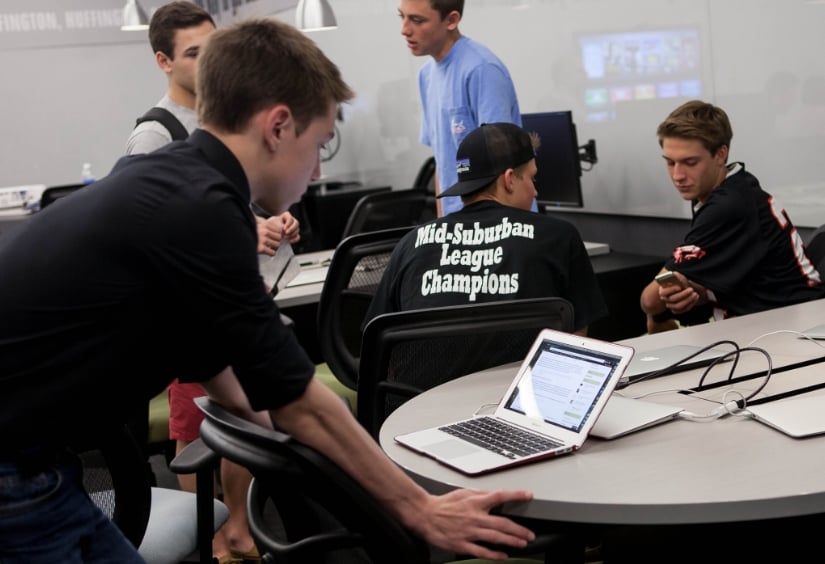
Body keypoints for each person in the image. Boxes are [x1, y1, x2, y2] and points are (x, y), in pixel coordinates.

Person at [0, 17, 538, 563]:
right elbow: (296, 401)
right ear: (279, 126)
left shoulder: (182, 182)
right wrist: (420, 510)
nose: (312, 173)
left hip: (40, 457)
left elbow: (233, 381)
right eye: (319, 145)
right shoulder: (202, 209)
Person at [122, 4, 297, 563]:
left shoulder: (220, 123)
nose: (210, 62)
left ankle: (239, 528)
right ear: (163, 61)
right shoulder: (156, 134)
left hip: (233, 299)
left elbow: (227, 208)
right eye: (195, 53)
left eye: (214, 48)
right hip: (186, 312)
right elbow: (155, 229)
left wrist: (267, 221)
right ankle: (210, 540)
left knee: (243, 423)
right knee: (197, 424)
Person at [365, 122, 607, 336]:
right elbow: (576, 337)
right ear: (509, 179)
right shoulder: (559, 237)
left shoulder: (411, 243)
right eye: (532, 178)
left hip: (430, 388)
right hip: (520, 386)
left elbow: (376, 333)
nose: (535, 192)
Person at [639, 100, 824, 334]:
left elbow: (650, 300)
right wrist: (697, 292)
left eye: (690, 163)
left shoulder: (729, 205)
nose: (678, 175)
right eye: (670, 162)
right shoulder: (733, 186)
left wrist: (658, 314)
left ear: (720, 154)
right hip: (764, 323)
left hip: (790, 331)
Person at [399, 0, 536, 217]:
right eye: (402, 17)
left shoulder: (482, 70)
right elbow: (442, 164)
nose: (404, 29)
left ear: (452, 20)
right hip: (458, 224)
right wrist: (443, 225)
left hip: (498, 223)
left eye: (417, 20)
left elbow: (504, 167)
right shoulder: (426, 77)